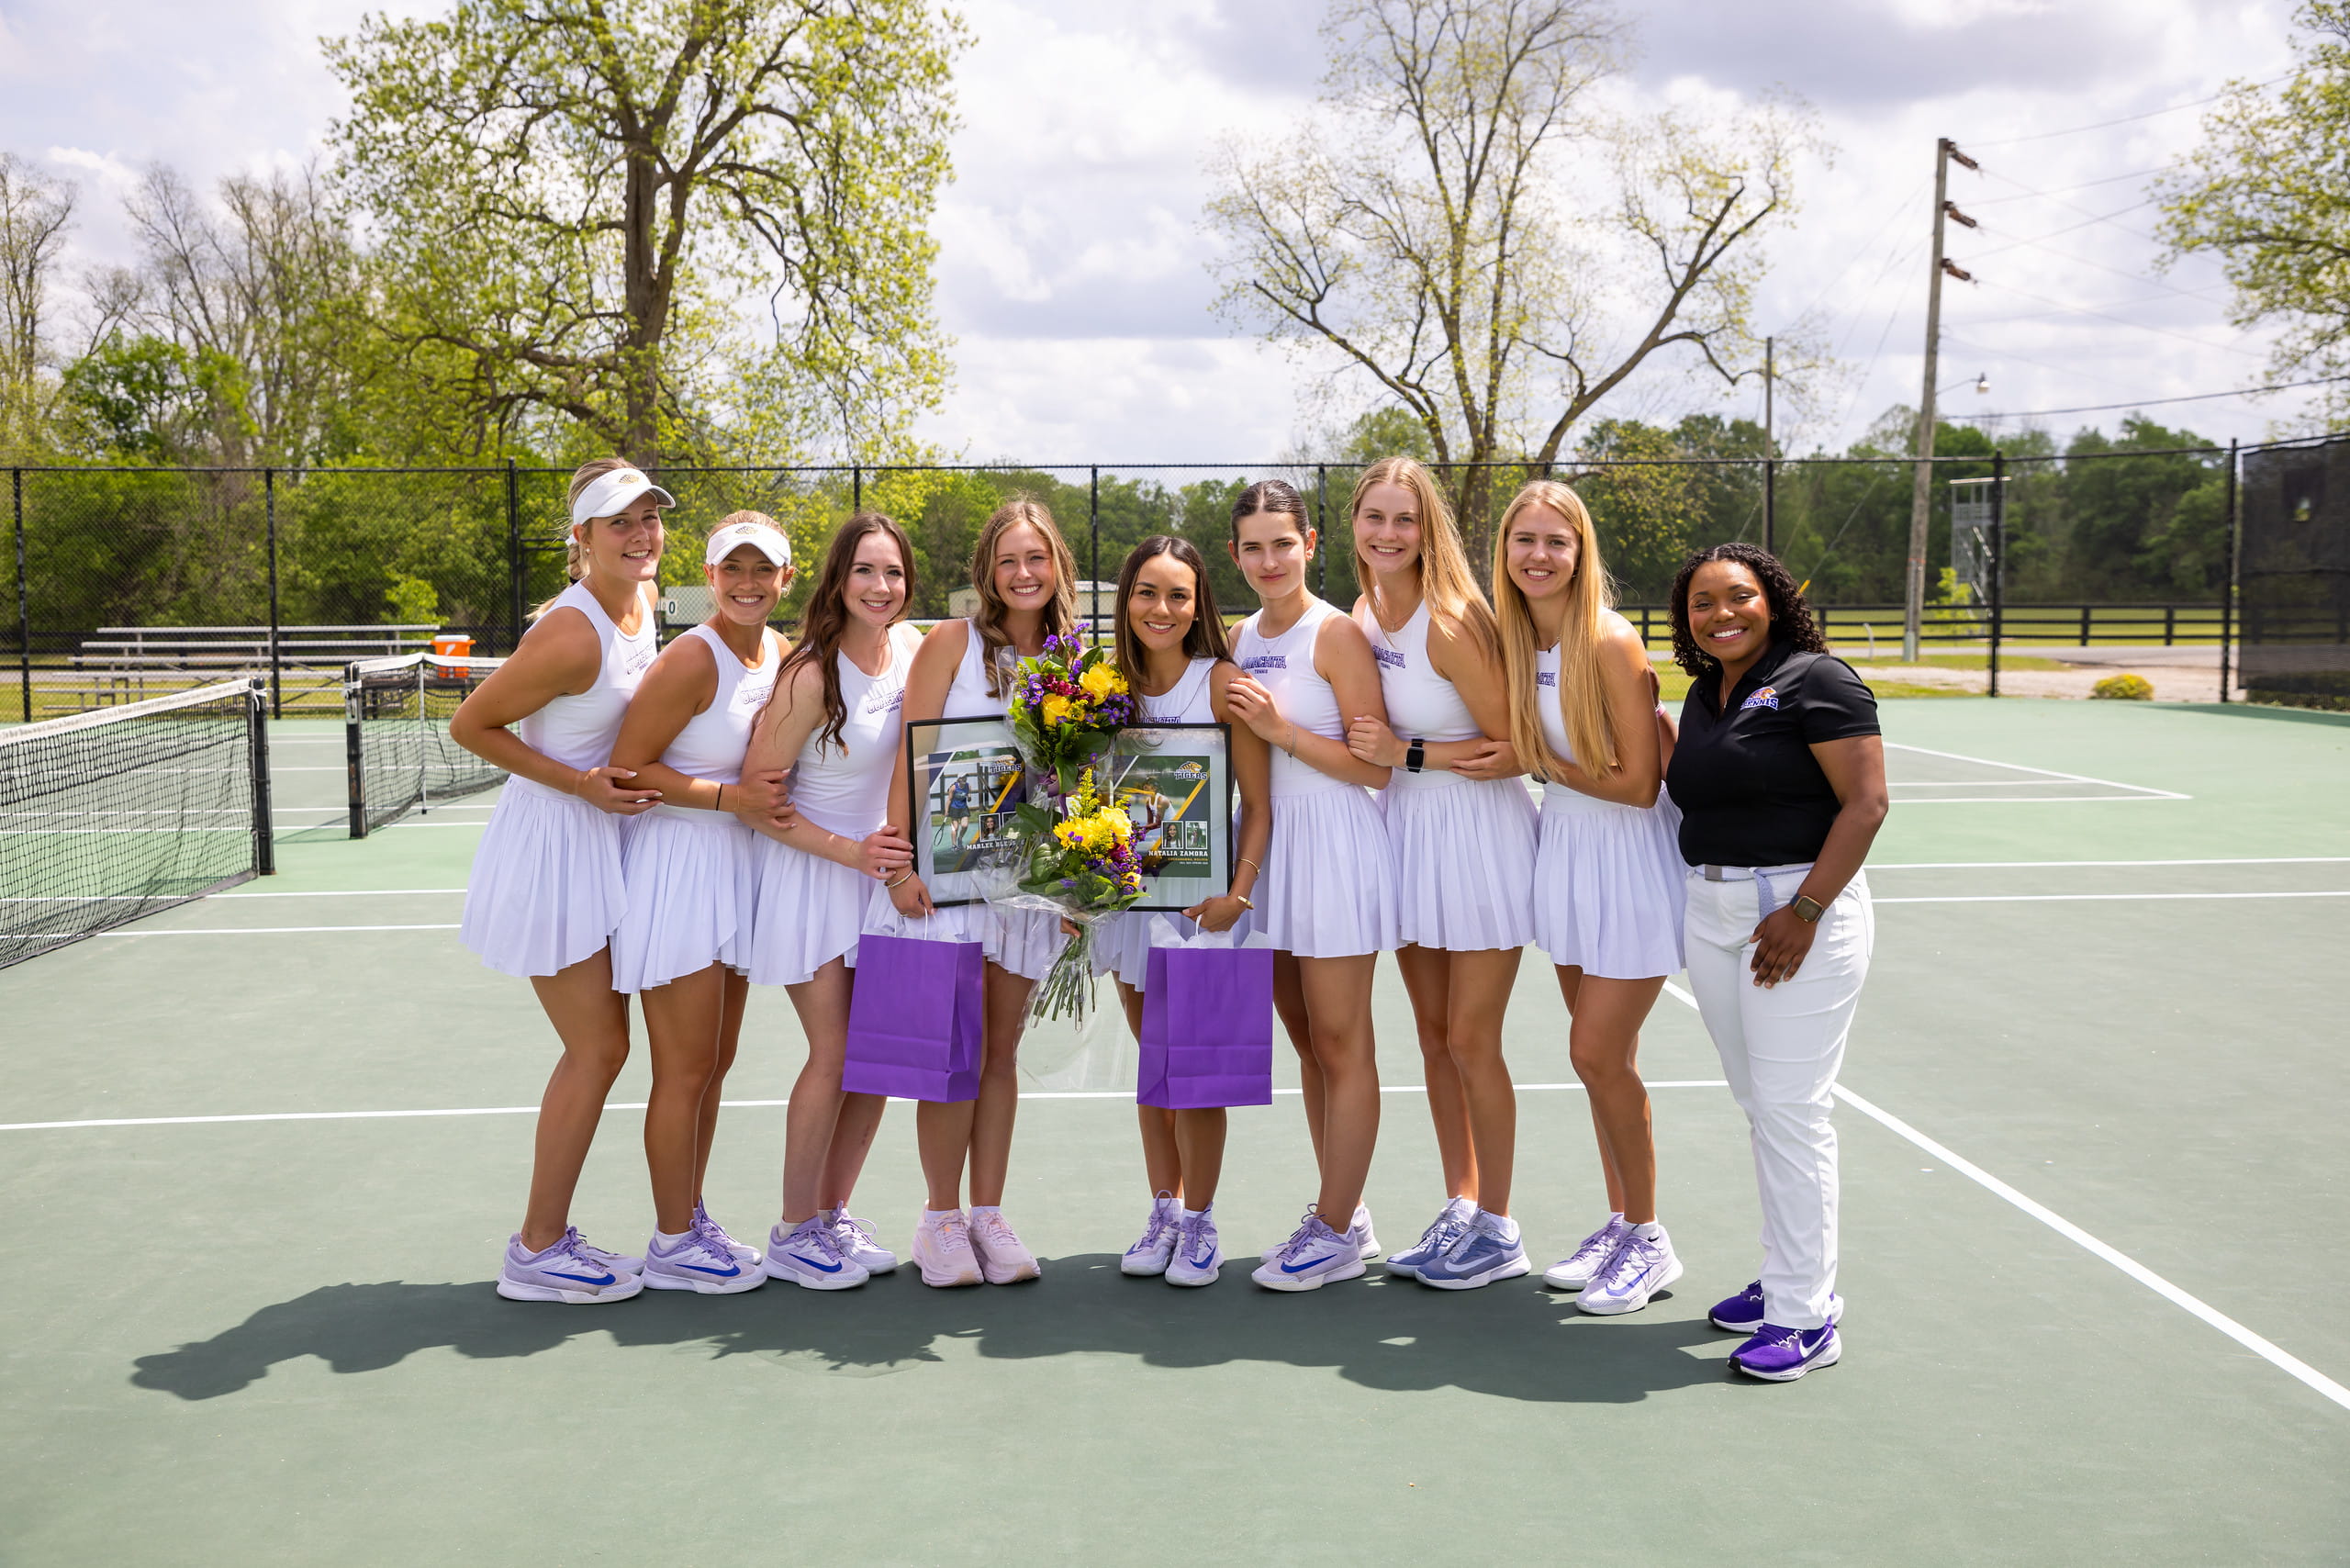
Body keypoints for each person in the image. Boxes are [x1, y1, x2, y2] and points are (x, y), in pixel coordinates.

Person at [1664, 542, 1887, 1381]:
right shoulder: (1707, 692)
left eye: (1738, 597)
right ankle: (1789, 1278)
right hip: (1713, 910)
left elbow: (1866, 804)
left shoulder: (1818, 680)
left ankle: (1806, 1317)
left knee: (1793, 1111)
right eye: (1701, 603)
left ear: (1774, 600)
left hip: (1798, 912)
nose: (1721, 614)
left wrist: (1804, 910)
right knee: (1763, 1106)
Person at [453, 458, 667, 1304]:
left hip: (608, 840)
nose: (641, 532)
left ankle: (547, 1240)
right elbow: (473, 725)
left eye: (649, 516)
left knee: (607, 1046)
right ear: (581, 538)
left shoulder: (642, 601)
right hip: (552, 845)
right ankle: (536, 1250)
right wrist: (579, 783)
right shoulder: (571, 633)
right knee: (600, 1047)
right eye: (620, 521)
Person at [1490, 480, 1690, 1316]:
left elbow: (1641, 783)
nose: (1539, 556)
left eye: (1556, 541)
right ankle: (1621, 1223)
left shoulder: (1609, 640)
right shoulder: (1513, 639)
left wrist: (1533, 758)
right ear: (1504, 551)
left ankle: (1650, 1240)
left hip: (1628, 857)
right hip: (1564, 852)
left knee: (1596, 1054)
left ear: (1581, 552)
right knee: (1603, 1060)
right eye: (1524, 539)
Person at [1339, 457, 1539, 1291]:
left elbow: (1518, 746)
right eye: (1375, 518)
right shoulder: (1362, 613)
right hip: (1412, 836)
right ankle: (1461, 1206)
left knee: (1470, 1039)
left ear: (1429, 531)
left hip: (1480, 838)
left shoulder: (1452, 622)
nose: (1388, 535)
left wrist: (1407, 752)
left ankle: (1499, 1226)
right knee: (1430, 1037)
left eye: (1405, 520)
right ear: (1353, 525)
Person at [880, 498, 1078, 1287]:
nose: (1023, 574)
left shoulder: (1073, 659)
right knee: (951, 1058)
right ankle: (939, 1222)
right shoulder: (950, 643)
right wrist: (899, 866)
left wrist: (1074, 887)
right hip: (947, 886)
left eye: (1036, 558)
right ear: (987, 574)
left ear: (1056, 564)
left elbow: (1076, 782)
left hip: (1025, 889)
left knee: (1001, 1054)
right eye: (1008, 561)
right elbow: (910, 755)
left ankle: (988, 1215)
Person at [601, 514, 795, 1294]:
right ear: (708, 578)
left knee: (715, 1063)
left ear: (787, 577)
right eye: (732, 569)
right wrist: (730, 798)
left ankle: (690, 1212)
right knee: (682, 1070)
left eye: (764, 570)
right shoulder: (690, 657)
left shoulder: (779, 652)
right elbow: (627, 767)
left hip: (737, 870)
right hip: (679, 869)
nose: (748, 583)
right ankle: (673, 1239)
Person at [1225, 480, 1401, 1292]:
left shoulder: (1335, 636)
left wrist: (1280, 729)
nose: (1269, 560)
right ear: (1235, 554)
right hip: (1268, 848)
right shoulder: (1237, 634)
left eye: (1282, 544)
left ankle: (1332, 1229)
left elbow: (1374, 764)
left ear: (1310, 543)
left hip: (1334, 841)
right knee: (1304, 1039)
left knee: (1342, 1040)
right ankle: (1346, 1210)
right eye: (1253, 546)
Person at [738, 512, 921, 1290]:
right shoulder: (810, 673)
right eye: (864, 573)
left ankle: (831, 1215)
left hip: (881, 885)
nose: (880, 588)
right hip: (815, 878)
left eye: (893, 573)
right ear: (837, 582)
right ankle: (792, 1230)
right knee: (835, 1053)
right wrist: (853, 852)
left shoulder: (912, 652)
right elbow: (756, 800)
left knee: (874, 1062)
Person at [1096, 535, 1272, 1288]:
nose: (1160, 609)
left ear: (1198, 605)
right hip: (1130, 907)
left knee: (1193, 1073)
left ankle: (1199, 1221)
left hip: (1202, 912)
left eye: (1177, 595)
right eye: (1146, 592)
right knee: (1155, 1066)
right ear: (1125, 600)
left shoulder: (1222, 681)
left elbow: (1259, 806)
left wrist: (1238, 892)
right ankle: (1164, 1209)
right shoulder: (1099, 688)